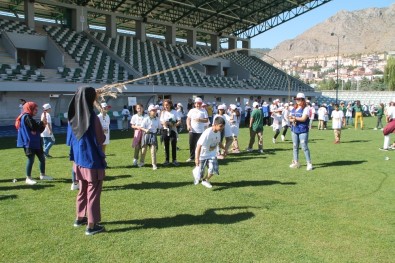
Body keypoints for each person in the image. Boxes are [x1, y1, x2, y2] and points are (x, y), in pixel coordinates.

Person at [68, 86, 106, 235]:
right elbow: (100, 139)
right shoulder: (92, 117)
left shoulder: (73, 116)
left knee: (83, 190)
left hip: (79, 160)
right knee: (93, 192)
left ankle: (80, 217)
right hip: (91, 161)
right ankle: (91, 225)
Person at [16, 101, 53, 185]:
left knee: (42, 158)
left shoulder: (30, 117)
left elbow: (38, 130)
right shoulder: (26, 117)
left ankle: (42, 175)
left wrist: (43, 124)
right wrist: (41, 122)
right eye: (35, 109)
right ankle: (28, 178)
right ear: (30, 109)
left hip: (36, 142)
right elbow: (34, 126)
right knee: (31, 159)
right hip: (29, 143)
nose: (36, 110)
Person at [193, 117, 225, 188]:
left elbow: (219, 142)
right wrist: (196, 158)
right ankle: (197, 176)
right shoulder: (207, 133)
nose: (222, 128)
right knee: (200, 173)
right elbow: (198, 146)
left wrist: (224, 149)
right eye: (220, 126)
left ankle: (205, 180)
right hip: (202, 154)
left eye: (223, 127)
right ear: (215, 125)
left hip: (211, 154)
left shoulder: (218, 132)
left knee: (214, 168)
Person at [288, 93, 313, 171]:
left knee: (304, 146)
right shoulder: (294, 108)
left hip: (303, 130)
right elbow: (289, 117)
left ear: (303, 100)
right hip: (294, 129)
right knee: (295, 146)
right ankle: (296, 162)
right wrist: (292, 120)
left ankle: (309, 163)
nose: (297, 101)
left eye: (299, 99)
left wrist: (295, 118)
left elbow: (303, 119)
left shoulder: (306, 108)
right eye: (296, 99)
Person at [186, 97, 208, 162]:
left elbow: (206, 120)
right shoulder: (191, 110)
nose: (198, 105)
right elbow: (188, 119)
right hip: (192, 130)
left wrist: (200, 119)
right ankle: (192, 157)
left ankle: (200, 157)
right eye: (197, 104)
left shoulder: (204, 111)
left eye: (199, 104)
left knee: (200, 144)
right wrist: (188, 125)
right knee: (192, 144)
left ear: (201, 104)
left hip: (201, 130)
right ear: (194, 104)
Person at [160, 99, 181, 166]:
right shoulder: (163, 112)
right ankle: (167, 160)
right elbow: (161, 121)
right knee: (166, 145)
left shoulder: (175, 112)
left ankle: (174, 160)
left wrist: (173, 124)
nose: (166, 106)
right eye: (165, 105)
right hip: (165, 130)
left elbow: (179, 121)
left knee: (173, 145)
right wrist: (164, 123)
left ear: (170, 105)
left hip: (173, 130)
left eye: (167, 105)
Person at [139, 105, 161, 170]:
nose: (154, 112)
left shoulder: (157, 119)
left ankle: (154, 164)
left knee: (153, 150)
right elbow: (141, 127)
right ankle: (141, 162)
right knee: (144, 150)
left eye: (155, 110)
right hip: (146, 135)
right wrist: (145, 130)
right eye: (153, 110)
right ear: (149, 111)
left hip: (153, 135)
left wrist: (165, 126)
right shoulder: (146, 119)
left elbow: (160, 127)